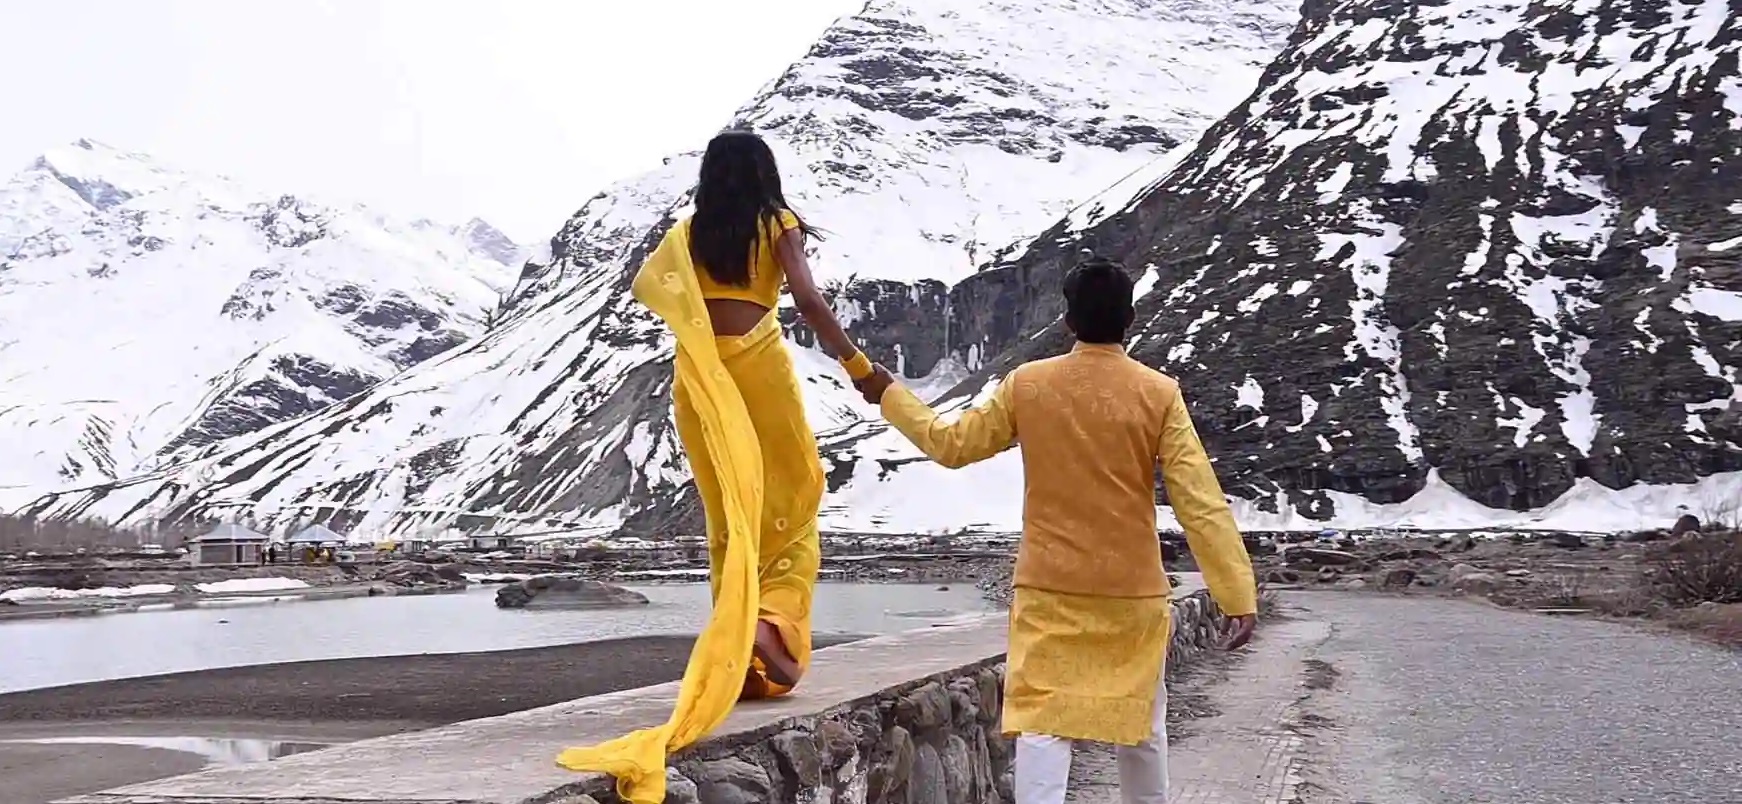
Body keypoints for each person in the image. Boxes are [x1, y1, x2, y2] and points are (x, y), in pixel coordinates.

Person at [853, 257, 1258, 804]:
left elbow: (951, 445)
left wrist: (888, 393)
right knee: (1142, 724)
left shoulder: (1029, 384)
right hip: (1132, 592)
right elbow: (1200, 502)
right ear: (1130, 319)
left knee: (1043, 726)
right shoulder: (1159, 393)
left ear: (1067, 321)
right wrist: (1236, 592)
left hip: (1048, 588)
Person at [555, 130, 876, 804]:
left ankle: (746, 654)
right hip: (758, 369)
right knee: (796, 502)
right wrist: (858, 365)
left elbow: (655, 291)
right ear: (764, 175)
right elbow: (808, 300)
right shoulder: (777, 223)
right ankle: (764, 627)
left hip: (700, 380)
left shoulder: (689, 235)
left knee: (732, 514)